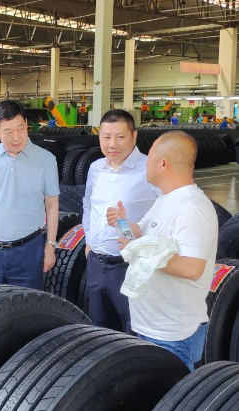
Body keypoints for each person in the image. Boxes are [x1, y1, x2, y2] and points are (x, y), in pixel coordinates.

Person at [109, 131, 218, 370]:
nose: (145, 164)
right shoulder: (166, 200)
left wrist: (140, 252)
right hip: (149, 326)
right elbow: (143, 238)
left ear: (163, 164)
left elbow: (192, 268)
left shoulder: (191, 208)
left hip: (173, 335)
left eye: (149, 159)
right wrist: (123, 224)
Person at [0, 100, 60, 289]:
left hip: (28, 251)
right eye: (8, 131)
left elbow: (52, 205)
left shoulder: (46, 160)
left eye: (21, 128)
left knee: (26, 308)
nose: (16, 137)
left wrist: (50, 246)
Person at [83, 109, 159, 334]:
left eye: (120, 137)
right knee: (101, 331)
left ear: (134, 137)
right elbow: (88, 205)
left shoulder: (150, 169)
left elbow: (166, 215)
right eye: (106, 137)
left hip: (131, 266)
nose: (112, 144)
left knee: (133, 331)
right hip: (96, 264)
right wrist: (89, 240)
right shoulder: (96, 168)